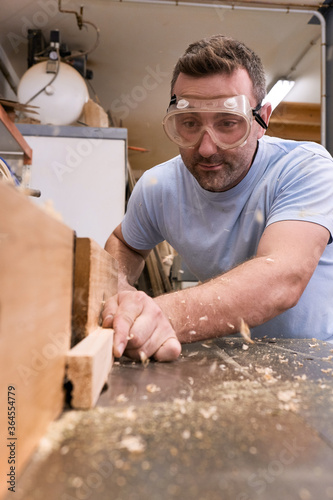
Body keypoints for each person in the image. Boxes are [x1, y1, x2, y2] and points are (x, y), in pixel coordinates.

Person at [102, 34, 333, 362]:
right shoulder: (158, 186)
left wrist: (162, 314)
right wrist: (119, 292)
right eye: (189, 124)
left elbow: (282, 277)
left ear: (261, 119)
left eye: (228, 124)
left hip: (316, 365)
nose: (206, 147)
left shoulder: (305, 168)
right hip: (230, 358)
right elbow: (125, 242)